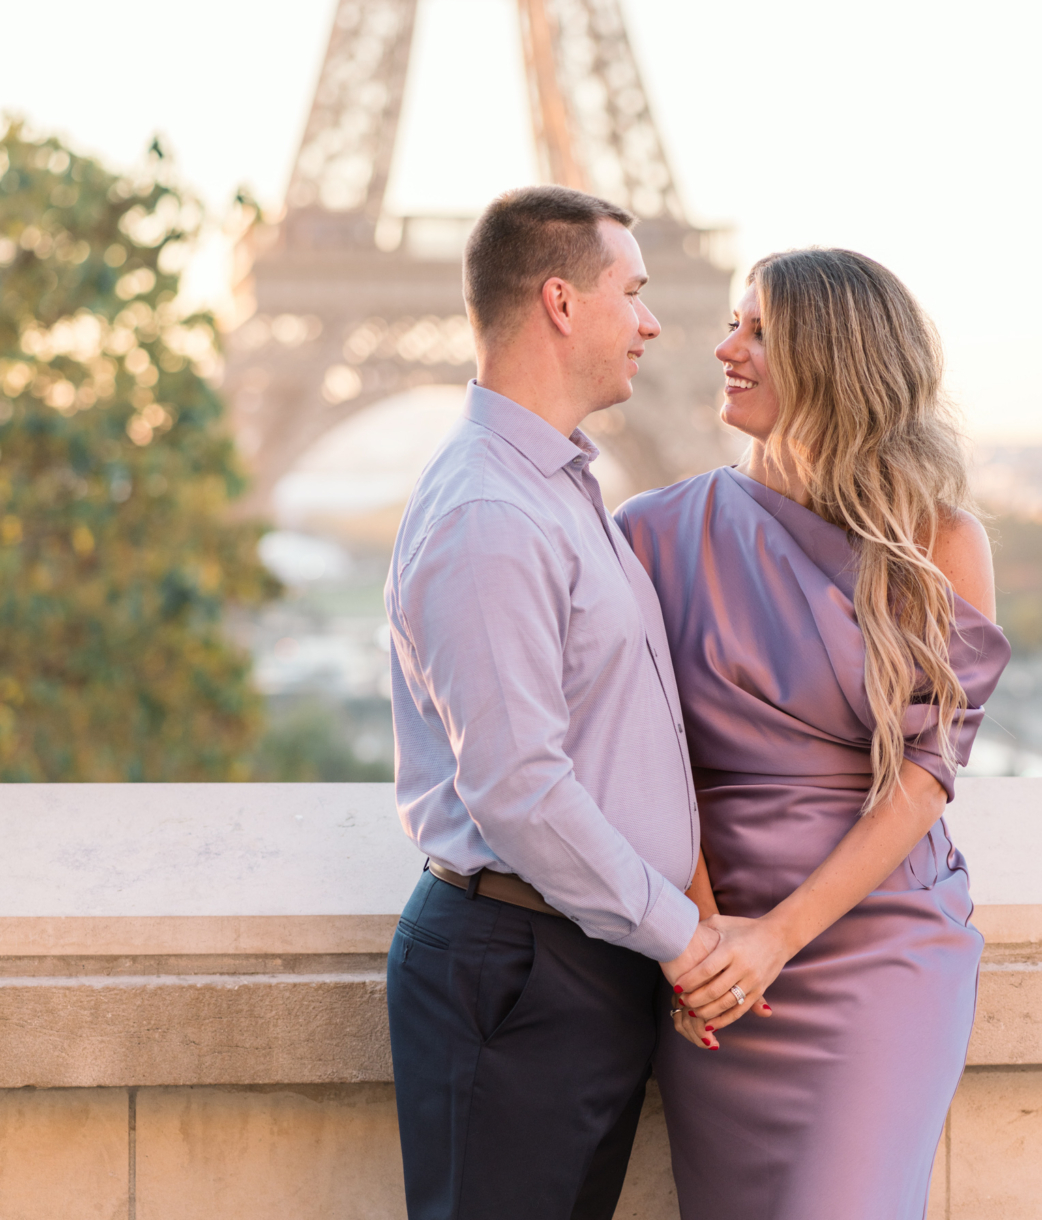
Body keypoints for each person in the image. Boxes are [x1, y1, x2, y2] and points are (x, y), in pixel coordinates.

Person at [615, 248, 1010, 1220]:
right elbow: (643, 757)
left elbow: (925, 777)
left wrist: (776, 940)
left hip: (879, 951)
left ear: (831, 360)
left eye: (756, 331)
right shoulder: (650, 533)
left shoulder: (941, 539)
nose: (723, 348)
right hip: (714, 964)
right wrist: (706, 940)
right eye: (732, 324)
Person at [385, 185, 734, 1220]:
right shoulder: (492, 511)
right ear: (560, 302)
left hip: (572, 956)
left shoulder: (558, 489)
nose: (653, 321)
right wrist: (680, 936)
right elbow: (519, 788)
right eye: (630, 291)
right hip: (523, 969)